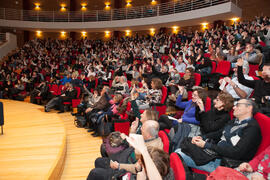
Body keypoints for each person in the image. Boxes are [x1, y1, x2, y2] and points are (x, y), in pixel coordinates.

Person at [175, 99, 262, 173]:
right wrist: (203, 137)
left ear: (249, 108)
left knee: (178, 154)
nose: (234, 107)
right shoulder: (235, 121)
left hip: (224, 163)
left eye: (238, 105)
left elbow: (236, 152)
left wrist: (206, 145)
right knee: (185, 144)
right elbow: (220, 133)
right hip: (215, 154)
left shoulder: (252, 128)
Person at [87, 120, 163, 180]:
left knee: (94, 173)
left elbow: (136, 168)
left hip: (125, 168)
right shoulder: (149, 138)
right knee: (98, 161)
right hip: (125, 156)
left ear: (149, 134)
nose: (141, 129)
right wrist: (133, 130)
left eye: (143, 128)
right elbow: (132, 145)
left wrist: (119, 166)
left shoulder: (153, 150)